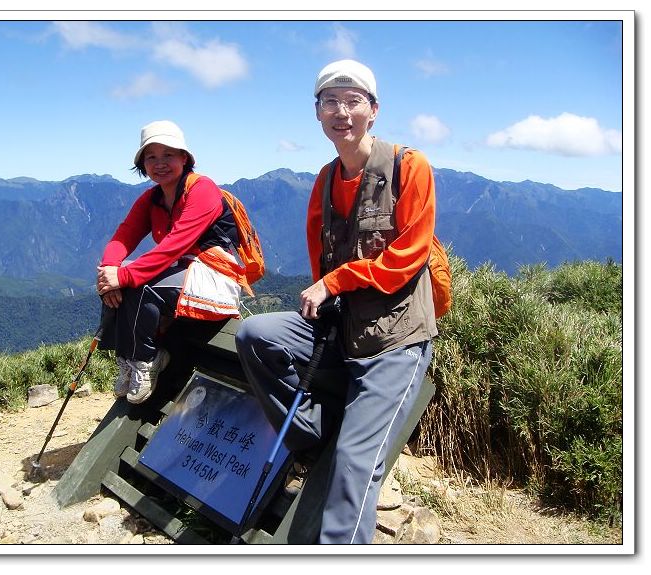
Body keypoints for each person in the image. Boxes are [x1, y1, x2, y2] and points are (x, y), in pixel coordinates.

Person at [235, 60, 438, 544]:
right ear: (317, 112)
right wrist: (326, 292)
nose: (341, 112)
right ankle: (313, 435)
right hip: (343, 328)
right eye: (330, 102)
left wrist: (336, 281)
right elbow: (319, 256)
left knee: (354, 465)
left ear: (374, 110)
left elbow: (408, 258)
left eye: (353, 101)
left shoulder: (410, 167)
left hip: (395, 340)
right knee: (254, 334)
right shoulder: (325, 180)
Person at [97, 120, 247, 404]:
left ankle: (146, 360)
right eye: (151, 157)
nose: (159, 163)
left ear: (184, 158)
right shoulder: (151, 199)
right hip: (183, 275)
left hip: (217, 280)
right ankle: (128, 359)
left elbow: (174, 245)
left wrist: (123, 276)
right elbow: (123, 237)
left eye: (168, 154)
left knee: (140, 285)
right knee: (121, 279)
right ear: (142, 164)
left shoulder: (203, 190)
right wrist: (109, 272)